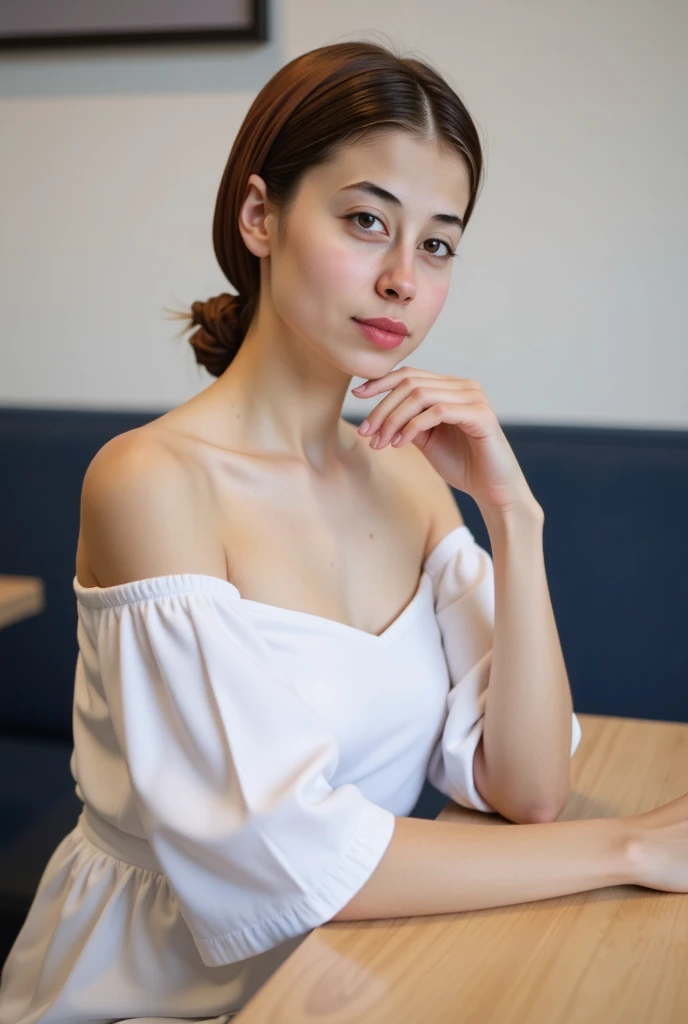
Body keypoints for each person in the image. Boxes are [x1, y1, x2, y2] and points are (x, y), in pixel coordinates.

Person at [1, 38, 686, 1024]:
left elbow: (526, 784)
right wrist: (631, 845)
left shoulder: (408, 474)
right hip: (159, 991)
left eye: (438, 243)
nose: (403, 278)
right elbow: (285, 851)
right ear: (259, 215)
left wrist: (513, 515)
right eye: (367, 221)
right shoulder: (151, 481)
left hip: (356, 966)